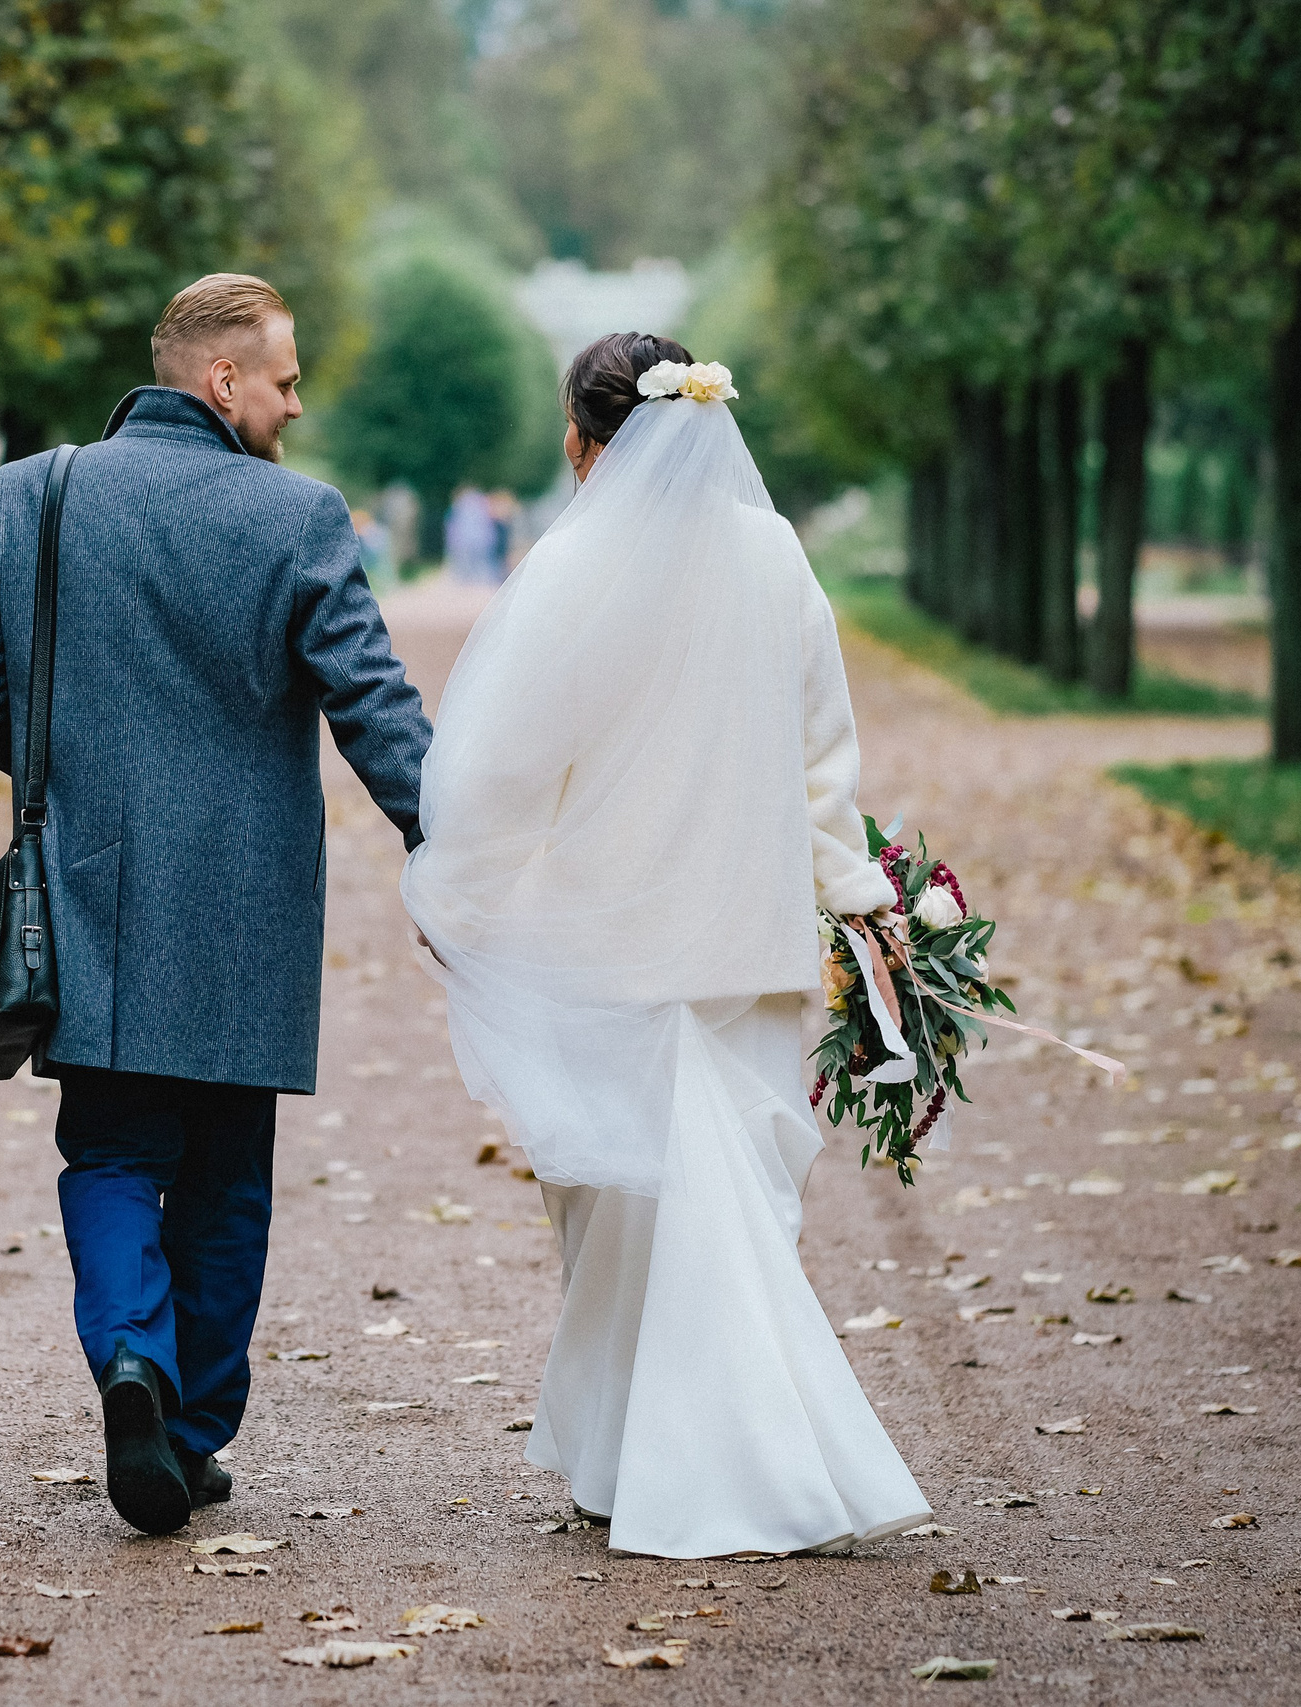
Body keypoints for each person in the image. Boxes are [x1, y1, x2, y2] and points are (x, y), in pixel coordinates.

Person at [401, 331, 931, 1558]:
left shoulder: (572, 565)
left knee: (621, 1209)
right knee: (732, 1198)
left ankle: (678, 1466)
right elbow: (821, 758)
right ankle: (631, 1454)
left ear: (584, 445)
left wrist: (459, 905)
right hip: (744, 941)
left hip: (601, 946)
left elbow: (490, 773)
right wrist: (855, 895)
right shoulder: (773, 552)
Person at [0, 273, 432, 1536]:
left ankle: (130, 1366)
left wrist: (72, 778)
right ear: (222, 381)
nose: (296, 404)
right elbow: (373, 706)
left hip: (87, 890)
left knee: (107, 1150)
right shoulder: (299, 519)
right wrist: (456, 847)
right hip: (248, 900)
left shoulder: (30, 495)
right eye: (284, 380)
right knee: (225, 1177)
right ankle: (193, 1430)